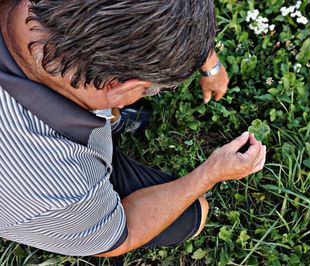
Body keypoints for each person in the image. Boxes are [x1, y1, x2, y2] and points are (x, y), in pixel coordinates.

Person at [0, 0, 266, 257]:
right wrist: (211, 172)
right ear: (120, 87)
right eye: (151, 89)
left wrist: (208, 62)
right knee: (194, 214)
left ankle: (110, 121)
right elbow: (120, 238)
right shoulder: (62, 188)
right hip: (41, 181)